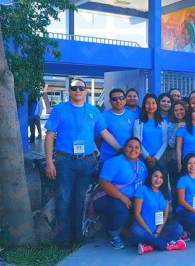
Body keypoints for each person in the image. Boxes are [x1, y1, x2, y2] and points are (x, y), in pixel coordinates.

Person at [45, 78, 121, 247]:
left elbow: (105, 133)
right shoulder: (60, 110)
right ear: (69, 91)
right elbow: (49, 136)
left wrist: (121, 149)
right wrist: (50, 162)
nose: (77, 91)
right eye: (74, 88)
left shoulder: (94, 111)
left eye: (81, 88)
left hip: (87, 161)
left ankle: (77, 236)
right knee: (64, 200)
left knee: (80, 200)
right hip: (65, 160)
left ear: (86, 91)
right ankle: (63, 239)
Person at [94, 137, 148, 249]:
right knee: (121, 209)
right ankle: (113, 235)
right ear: (124, 149)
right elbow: (103, 182)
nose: (133, 150)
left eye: (137, 147)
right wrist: (122, 197)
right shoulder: (114, 162)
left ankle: (137, 232)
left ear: (141, 151)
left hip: (132, 198)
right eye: (130, 147)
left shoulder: (142, 165)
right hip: (110, 197)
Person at [132, 170, 188, 255]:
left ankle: (149, 246)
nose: (158, 180)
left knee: (179, 228)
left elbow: (165, 215)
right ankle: (167, 245)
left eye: (161, 177)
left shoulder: (165, 193)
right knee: (137, 231)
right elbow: (137, 213)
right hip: (144, 231)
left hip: (158, 232)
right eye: (156, 176)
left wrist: (158, 232)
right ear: (151, 176)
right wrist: (149, 233)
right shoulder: (143, 189)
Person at [98, 88, 135, 164]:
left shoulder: (133, 116)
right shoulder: (102, 117)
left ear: (125, 100)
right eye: (115, 99)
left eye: (121, 98)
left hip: (127, 157)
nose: (118, 101)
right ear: (110, 102)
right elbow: (97, 138)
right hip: (107, 158)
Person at [133, 94, 168, 173]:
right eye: (147, 103)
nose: (150, 106)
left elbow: (165, 142)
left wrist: (156, 157)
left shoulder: (163, 122)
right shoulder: (138, 122)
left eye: (153, 103)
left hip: (160, 159)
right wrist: (147, 156)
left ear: (157, 105)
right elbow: (137, 142)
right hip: (142, 158)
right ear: (144, 105)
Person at [167, 101, 187, 204]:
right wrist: (176, 128)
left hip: (189, 161)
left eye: (181, 109)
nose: (179, 112)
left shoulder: (192, 122)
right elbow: (170, 144)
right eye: (176, 110)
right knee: (175, 187)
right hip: (175, 161)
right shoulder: (171, 125)